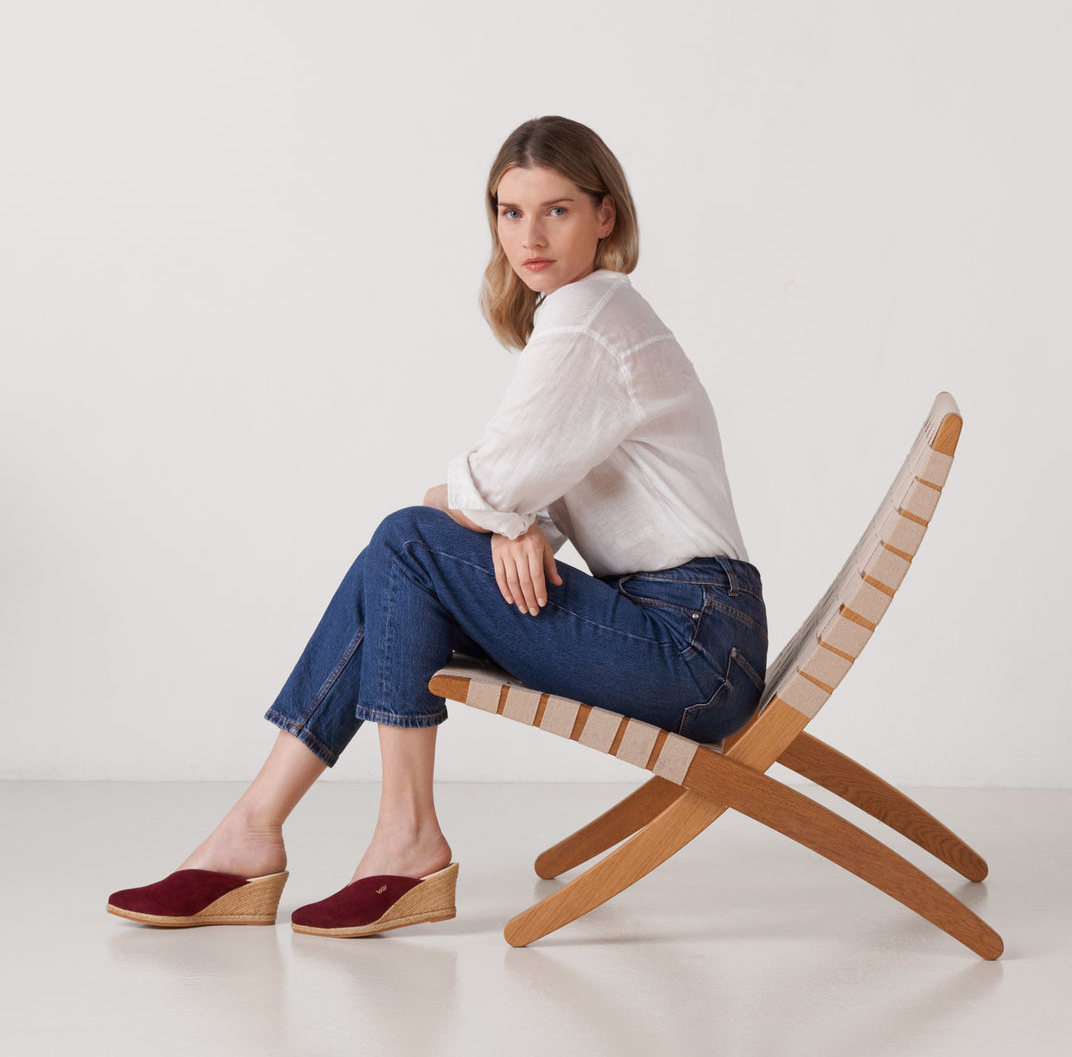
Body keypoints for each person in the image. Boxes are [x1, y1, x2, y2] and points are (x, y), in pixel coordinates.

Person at [107, 115, 767, 938]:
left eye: (556, 211)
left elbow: (482, 485)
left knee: (407, 541)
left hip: (691, 646)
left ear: (606, 216)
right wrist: (509, 519)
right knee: (404, 568)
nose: (529, 235)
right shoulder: (585, 315)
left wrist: (497, 510)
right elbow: (518, 488)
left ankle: (384, 841)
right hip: (681, 630)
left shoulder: (589, 316)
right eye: (509, 211)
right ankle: (262, 832)